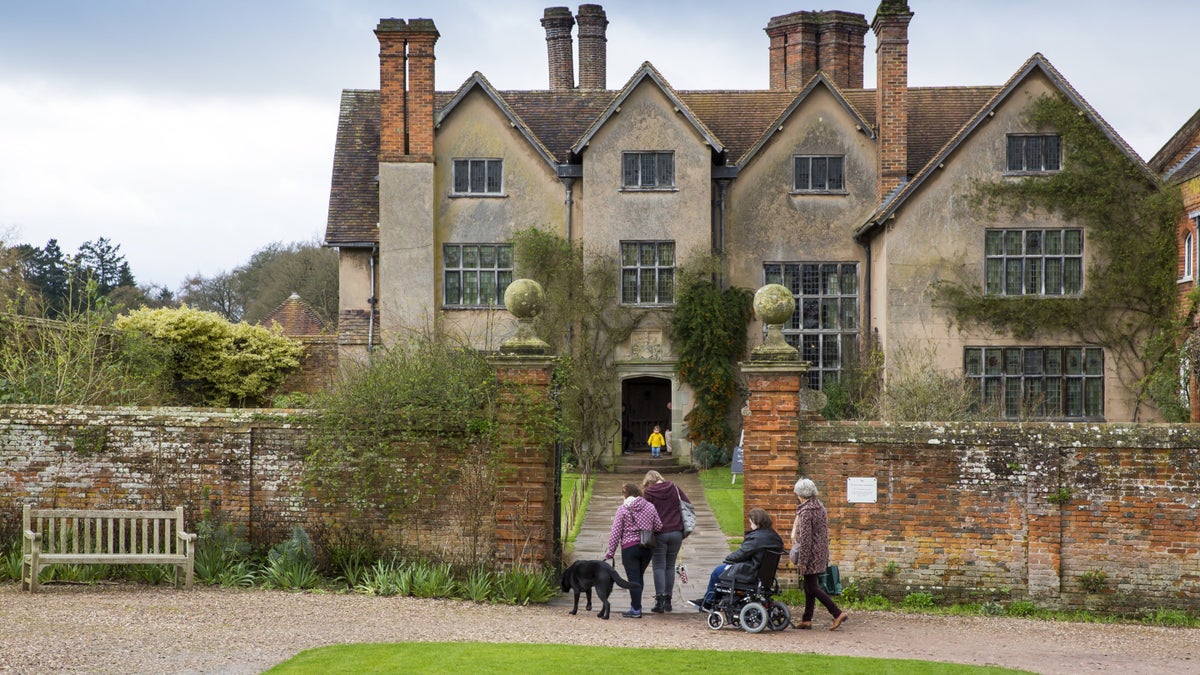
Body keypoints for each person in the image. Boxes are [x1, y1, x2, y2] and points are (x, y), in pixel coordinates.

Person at [690, 507, 783, 611]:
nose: (750, 525)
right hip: (764, 575)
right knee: (723, 571)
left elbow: (742, 554)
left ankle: (708, 602)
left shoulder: (756, 538)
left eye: (751, 522)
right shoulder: (775, 537)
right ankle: (714, 600)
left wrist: (728, 558)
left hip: (750, 572)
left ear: (756, 522)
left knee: (717, 572)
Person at [789, 477, 848, 630]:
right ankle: (806, 619)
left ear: (801, 494)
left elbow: (806, 540)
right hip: (820, 552)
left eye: (797, 493)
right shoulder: (820, 507)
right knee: (810, 586)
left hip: (810, 555)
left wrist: (802, 561)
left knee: (813, 587)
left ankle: (837, 613)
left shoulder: (806, 512)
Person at [604, 482, 662, 618]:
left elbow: (616, 532)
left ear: (626, 495)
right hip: (647, 547)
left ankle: (636, 609)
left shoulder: (623, 509)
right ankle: (635, 606)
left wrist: (610, 552)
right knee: (639, 577)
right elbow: (659, 526)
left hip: (629, 548)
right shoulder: (650, 507)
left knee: (634, 578)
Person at [640, 470, 692, 613]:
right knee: (670, 566)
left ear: (649, 482)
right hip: (676, 532)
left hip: (659, 534)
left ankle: (660, 601)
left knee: (658, 566)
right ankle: (668, 601)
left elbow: (644, 512)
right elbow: (687, 503)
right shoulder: (674, 487)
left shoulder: (649, 493)